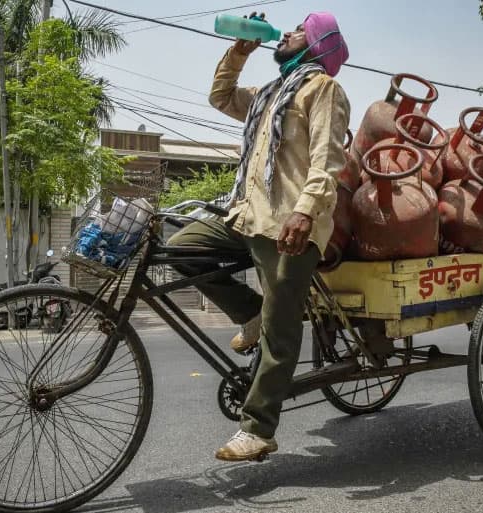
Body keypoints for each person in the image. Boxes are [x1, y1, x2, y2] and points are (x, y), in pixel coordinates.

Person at [167, 11, 350, 461]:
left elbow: (328, 160)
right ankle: (252, 314)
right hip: (247, 216)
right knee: (182, 249)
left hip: (291, 226)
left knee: (280, 329)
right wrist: (238, 52)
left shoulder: (323, 89)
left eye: (297, 32)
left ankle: (258, 428)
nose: (284, 34)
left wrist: (305, 213)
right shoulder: (270, 94)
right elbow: (221, 96)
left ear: (313, 45)